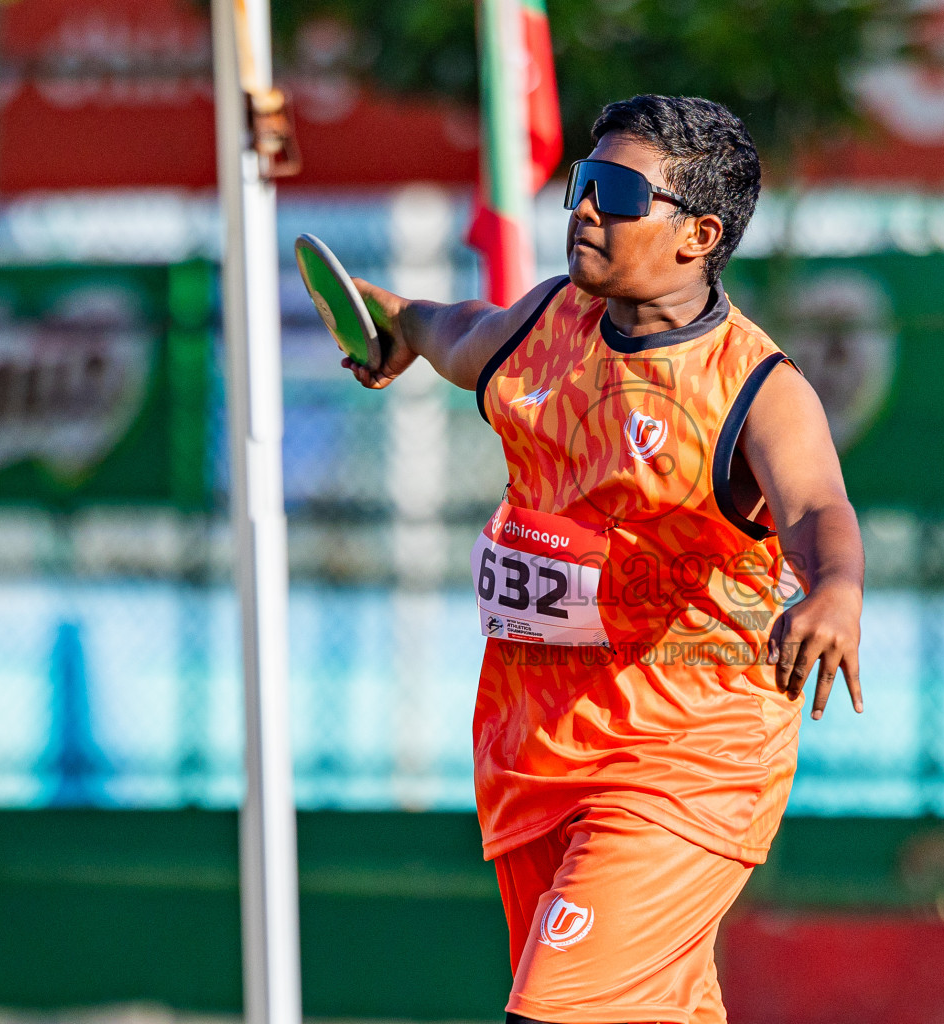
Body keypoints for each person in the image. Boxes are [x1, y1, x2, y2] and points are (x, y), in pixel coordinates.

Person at [345, 94, 864, 1024]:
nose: (584, 208)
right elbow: (456, 334)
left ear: (697, 234)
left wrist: (836, 589)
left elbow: (817, 502)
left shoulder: (753, 386)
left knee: (552, 1011)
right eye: (584, 183)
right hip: (533, 753)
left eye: (619, 192)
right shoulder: (546, 322)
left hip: (683, 762)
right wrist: (397, 321)